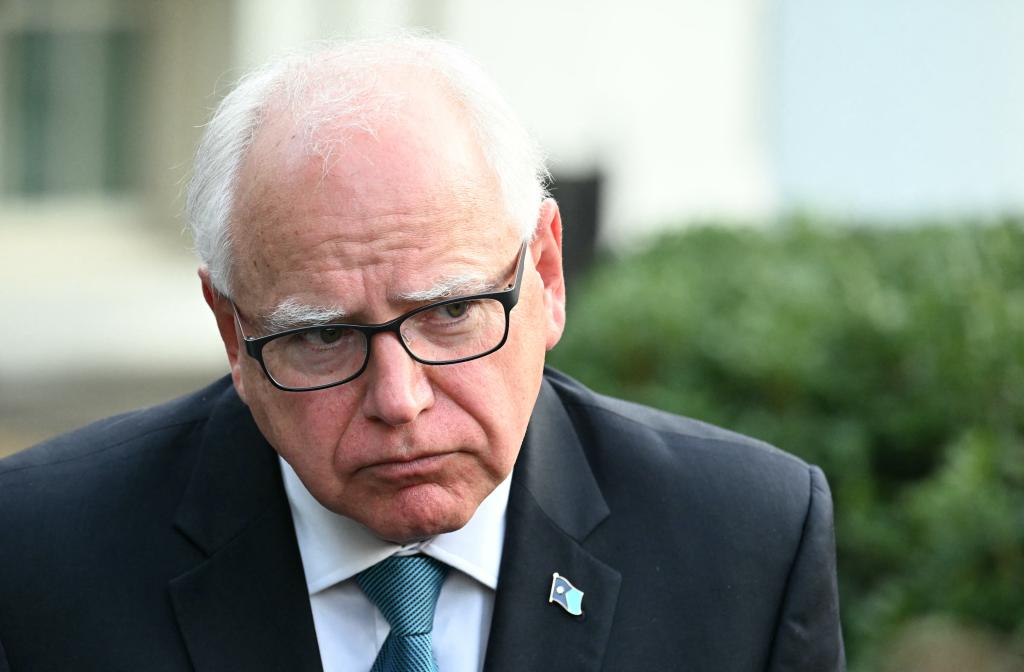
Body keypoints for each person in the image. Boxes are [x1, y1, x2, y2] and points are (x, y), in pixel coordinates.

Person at [0, 36, 843, 671]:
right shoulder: (40, 553)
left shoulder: (747, 542)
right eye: (322, 335)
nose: (399, 400)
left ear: (545, 276)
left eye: (449, 313)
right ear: (232, 331)